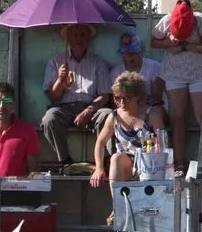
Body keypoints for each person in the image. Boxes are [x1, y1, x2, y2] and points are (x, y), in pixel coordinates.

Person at [150, 0, 202, 176]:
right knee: (178, 118)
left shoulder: (201, 21)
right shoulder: (166, 21)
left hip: (198, 74)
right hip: (174, 74)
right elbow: (153, 42)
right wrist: (168, 43)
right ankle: (178, 164)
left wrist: (186, 46)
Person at [40, 24, 112, 173]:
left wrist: (89, 110)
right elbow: (53, 96)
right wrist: (60, 79)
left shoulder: (98, 62)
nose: (79, 38)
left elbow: (105, 95)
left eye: (83, 34)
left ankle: (107, 160)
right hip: (64, 108)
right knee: (49, 119)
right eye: (75, 34)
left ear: (89, 38)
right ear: (68, 38)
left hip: (91, 107)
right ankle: (65, 162)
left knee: (108, 116)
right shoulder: (56, 61)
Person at [90, 72, 153, 190]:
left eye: (127, 98)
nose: (122, 102)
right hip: (126, 162)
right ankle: (117, 201)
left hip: (149, 162)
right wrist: (99, 168)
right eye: (118, 98)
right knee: (116, 158)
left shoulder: (151, 114)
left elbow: (163, 142)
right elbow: (100, 143)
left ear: (138, 96)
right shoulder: (114, 117)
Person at [110, 31, 168, 132]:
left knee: (155, 113)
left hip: (152, 107)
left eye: (133, 52)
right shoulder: (116, 72)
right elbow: (116, 99)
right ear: (122, 54)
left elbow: (157, 98)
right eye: (127, 53)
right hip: (127, 107)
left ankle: (160, 140)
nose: (130, 56)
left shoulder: (154, 67)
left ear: (140, 51)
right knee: (114, 115)